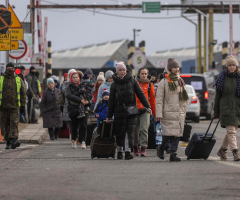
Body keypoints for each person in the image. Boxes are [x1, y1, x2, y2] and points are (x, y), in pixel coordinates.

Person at [106, 62, 151, 160]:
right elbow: (111, 101)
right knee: (119, 131)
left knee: (129, 132)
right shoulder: (114, 84)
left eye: (123, 70)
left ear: (126, 71)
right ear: (117, 71)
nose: (122, 72)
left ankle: (127, 152)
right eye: (120, 70)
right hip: (118, 111)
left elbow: (140, 94)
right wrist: (108, 116)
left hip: (131, 110)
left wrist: (148, 106)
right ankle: (119, 151)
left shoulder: (132, 81)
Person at [156, 58, 189, 162]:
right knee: (167, 134)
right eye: (174, 67)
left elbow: (183, 99)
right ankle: (161, 147)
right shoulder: (164, 81)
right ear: (169, 68)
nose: (176, 69)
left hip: (179, 111)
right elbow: (159, 99)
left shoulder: (180, 80)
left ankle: (173, 154)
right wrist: (159, 113)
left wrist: (184, 111)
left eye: (177, 67)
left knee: (177, 134)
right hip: (168, 112)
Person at [214, 55, 240, 161]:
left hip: (237, 109)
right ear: (227, 66)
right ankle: (235, 152)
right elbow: (217, 97)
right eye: (230, 65)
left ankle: (222, 150)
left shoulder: (239, 76)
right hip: (226, 108)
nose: (232, 67)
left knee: (231, 132)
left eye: (233, 65)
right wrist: (216, 112)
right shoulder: (222, 77)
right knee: (231, 132)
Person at [0, 63, 26, 149]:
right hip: (3, 107)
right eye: (9, 68)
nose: (10, 69)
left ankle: (13, 140)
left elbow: (23, 93)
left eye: (12, 67)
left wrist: (23, 105)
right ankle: (8, 142)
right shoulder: (1, 79)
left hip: (15, 106)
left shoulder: (18, 79)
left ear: (14, 69)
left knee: (14, 123)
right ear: (6, 69)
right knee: (6, 124)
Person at [133, 67, 156, 157]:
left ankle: (143, 148)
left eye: (145, 74)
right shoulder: (134, 83)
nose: (144, 75)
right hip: (135, 110)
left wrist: (154, 114)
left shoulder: (150, 85)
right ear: (139, 74)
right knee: (135, 131)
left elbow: (152, 101)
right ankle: (135, 147)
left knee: (144, 129)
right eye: (142, 73)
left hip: (145, 110)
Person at [66, 72, 91, 149]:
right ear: (71, 78)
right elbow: (69, 96)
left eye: (77, 77)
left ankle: (83, 141)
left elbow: (89, 94)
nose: (76, 79)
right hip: (73, 108)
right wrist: (80, 100)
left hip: (84, 108)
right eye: (74, 77)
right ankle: (74, 140)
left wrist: (88, 102)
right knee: (74, 126)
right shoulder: (69, 87)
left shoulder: (83, 85)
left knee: (83, 125)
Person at [61, 69, 77, 136]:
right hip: (68, 105)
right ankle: (72, 136)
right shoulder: (65, 83)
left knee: (76, 122)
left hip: (76, 105)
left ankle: (76, 136)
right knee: (70, 122)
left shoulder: (78, 83)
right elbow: (64, 92)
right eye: (70, 75)